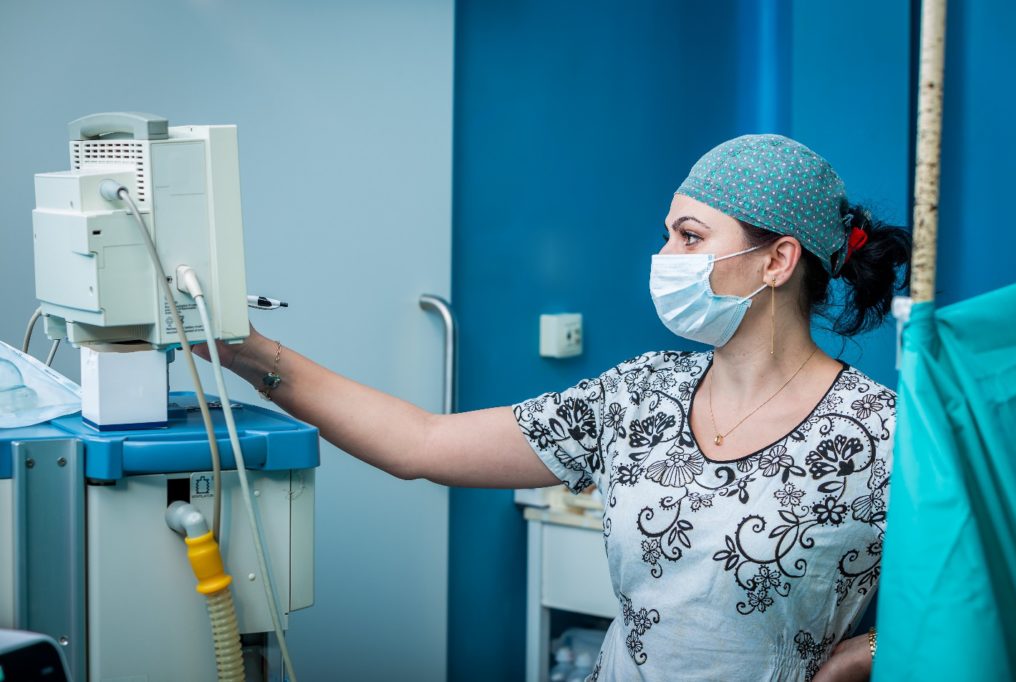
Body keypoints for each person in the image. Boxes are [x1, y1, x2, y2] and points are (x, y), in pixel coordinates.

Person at [204, 134, 910, 681]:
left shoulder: (885, 435)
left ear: (777, 260)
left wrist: (866, 650)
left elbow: (992, 584)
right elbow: (420, 443)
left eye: (690, 237)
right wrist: (245, 351)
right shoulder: (639, 396)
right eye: (669, 233)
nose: (665, 256)